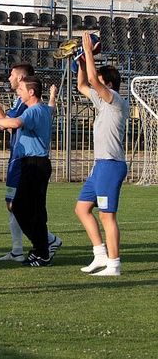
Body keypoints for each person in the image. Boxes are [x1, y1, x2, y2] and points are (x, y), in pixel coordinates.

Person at [0, 63, 62, 262]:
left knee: (19, 206)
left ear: (22, 80)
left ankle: (41, 245)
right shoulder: (33, 105)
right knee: (24, 207)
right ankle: (36, 246)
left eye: (12, 75)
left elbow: (10, 125)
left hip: (29, 161)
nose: (9, 79)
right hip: (27, 160)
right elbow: (49, 110)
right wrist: (53, 96)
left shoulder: (27, 106)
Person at [75, 32, 128, 276]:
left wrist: (88, 51)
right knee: (82, 209)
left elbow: (94, 83)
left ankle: (114, 265)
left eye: (100, 79)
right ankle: (100, 255)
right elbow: (83, 85)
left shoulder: (115, 99)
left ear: (108, 83)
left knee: (108, 217)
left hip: (111, 165)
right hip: (100, 166)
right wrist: (82, 64)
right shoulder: (102, 100)